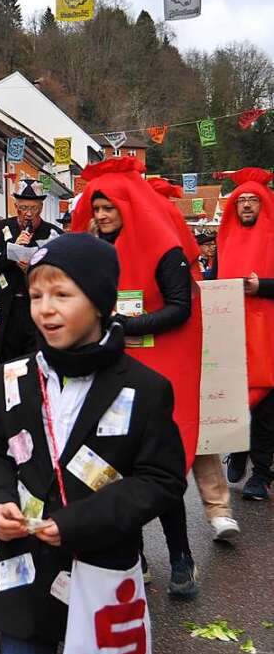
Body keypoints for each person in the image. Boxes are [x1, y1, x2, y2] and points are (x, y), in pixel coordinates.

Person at [0, 234, 186, 654]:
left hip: (100, 572)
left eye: (62, 294)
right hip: (25, 574)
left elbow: (160, 480)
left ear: (100, 303)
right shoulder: (14, 376)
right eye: (36, 295)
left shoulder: (145, 388)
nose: (45, 308)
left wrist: (80, 522)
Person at [73, 157, 205, 597]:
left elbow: (180, 308)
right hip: (107, 371)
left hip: (157, 375)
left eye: (109, 208)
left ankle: (182, 558)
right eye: (97, 209)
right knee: (111, 468)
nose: (102, 216)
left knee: (160, 469)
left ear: (128, 207)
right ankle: (137, 557)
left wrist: (127, 325)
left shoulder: (166, 252)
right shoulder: (95, 251)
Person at [145, 177, 240, 543]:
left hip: (184, 343)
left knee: (199, 425)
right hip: (144, 348)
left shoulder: (178, 254)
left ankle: (218, 509)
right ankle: (132, 536)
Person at [216, 168, 274, 501]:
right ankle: (238, 450)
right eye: (242, 201)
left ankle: (261, 474)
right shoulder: (226, 240)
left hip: (267, 334)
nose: (248, 205)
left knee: (266, 407)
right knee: (234, 398)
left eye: (254, 200)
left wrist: (261, 286)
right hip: (232, 331)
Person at [0, 179, 63, 363]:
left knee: (37, 358)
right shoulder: (2, 228)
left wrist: (33, 269)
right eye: (23, 208)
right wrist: (12, 250)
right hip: (10, 305)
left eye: (34, 208)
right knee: (9, 362)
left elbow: (59, 272)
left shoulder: (53, 233)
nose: (28, 213)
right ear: (15, 206)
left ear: (41, 208)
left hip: (38, 304)